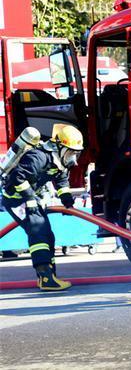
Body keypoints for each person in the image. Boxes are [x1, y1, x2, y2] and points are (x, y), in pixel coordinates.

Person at [2, 124, 84, 291]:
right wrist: (30, 199)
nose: (72, 159)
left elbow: (61, 181)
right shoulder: (39, 157)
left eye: (75, 154)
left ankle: (49, 276)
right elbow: (17, 177)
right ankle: (45, 277)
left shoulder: (58, 161)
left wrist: (66, 198)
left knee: (48, 235)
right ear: (60, 147)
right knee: (38, 232)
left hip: (30, 199)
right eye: (70, 153)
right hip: (17, 199)